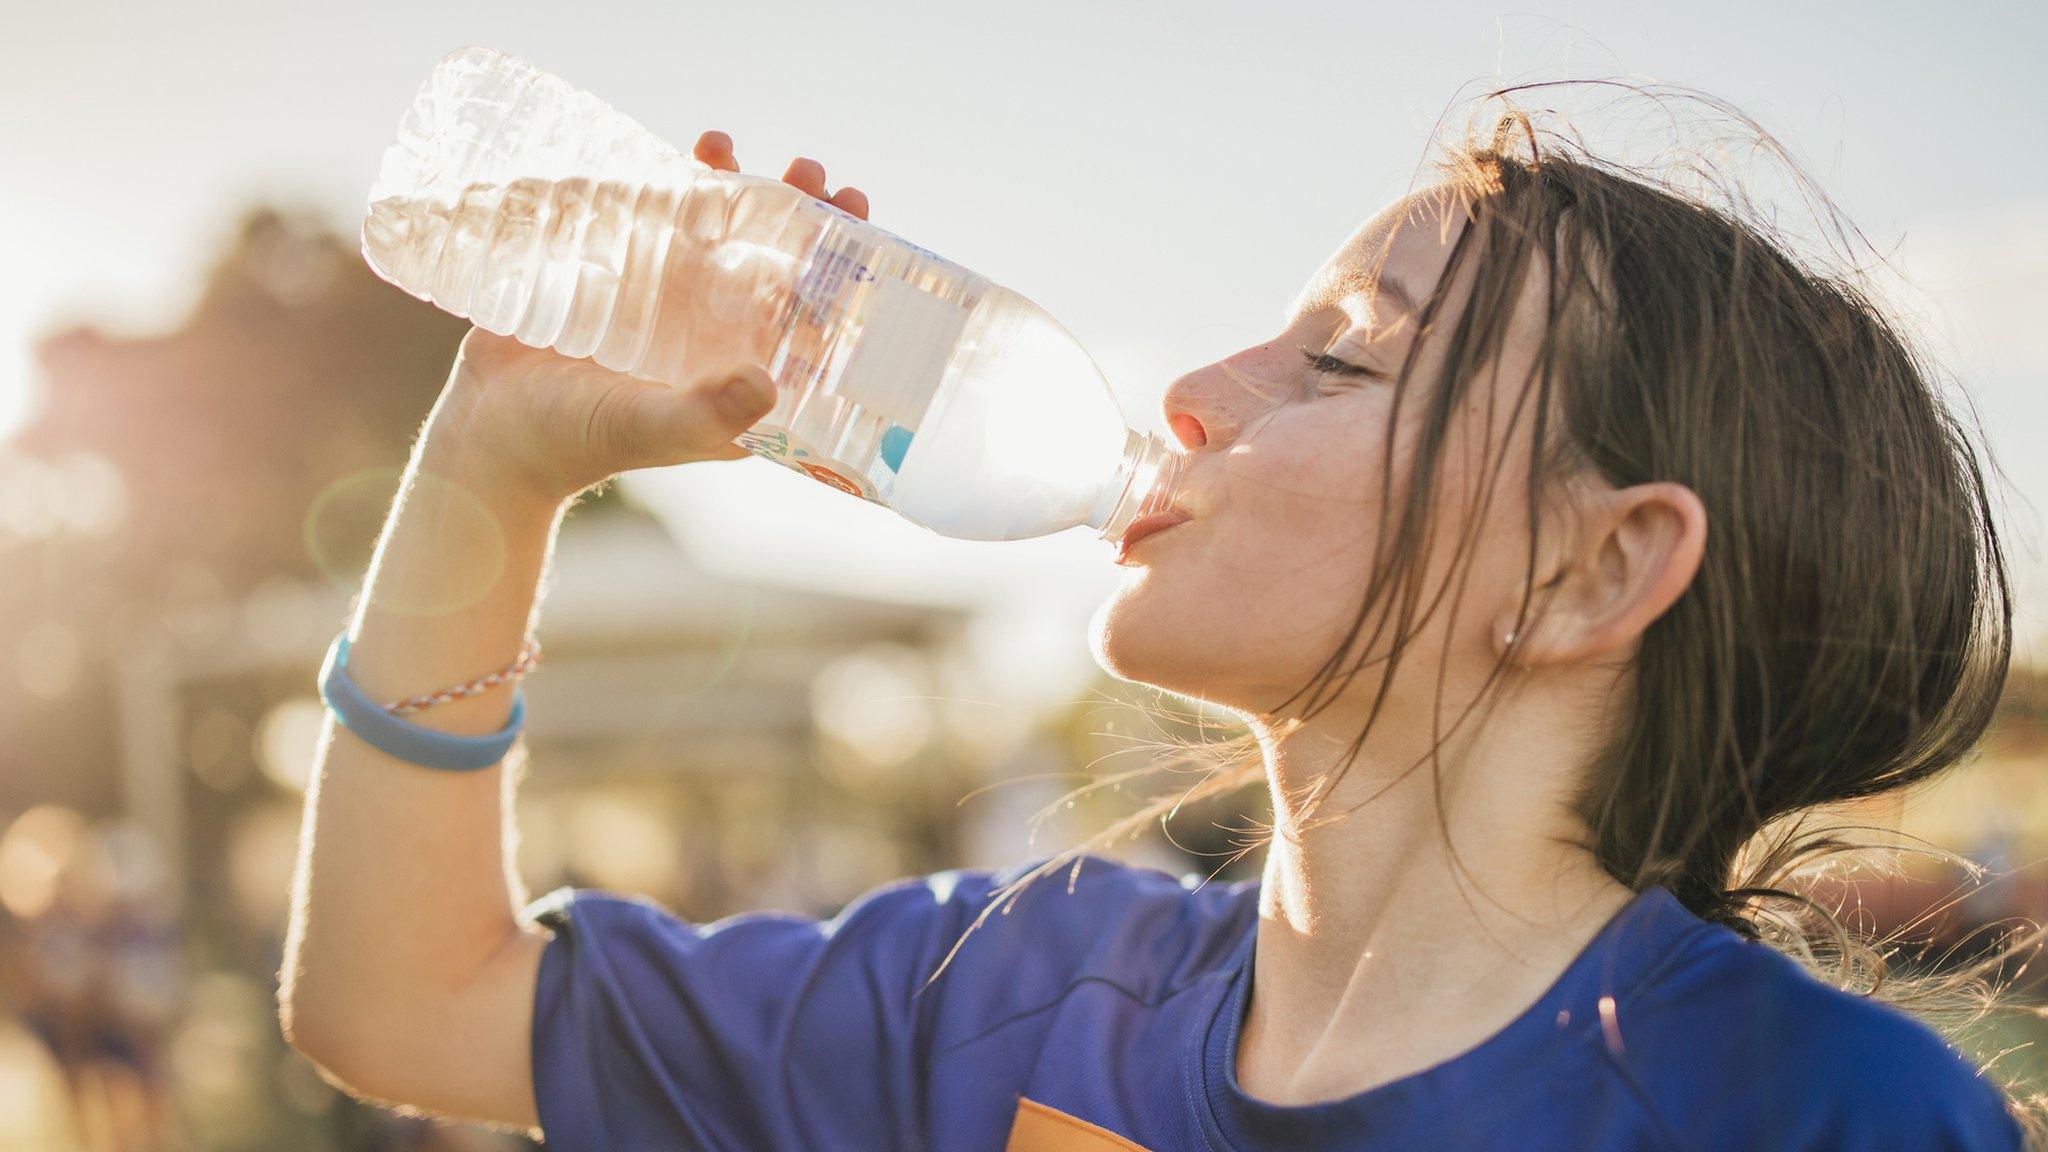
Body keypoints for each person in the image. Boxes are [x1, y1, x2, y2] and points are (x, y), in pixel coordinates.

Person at [279, 93, 2038, 1150]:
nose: (1195, 390)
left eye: (1344, 356)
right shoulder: (1013, 994)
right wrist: (496, 470)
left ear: (1589, 572)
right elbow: (404, 1000)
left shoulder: (1818, 1114)